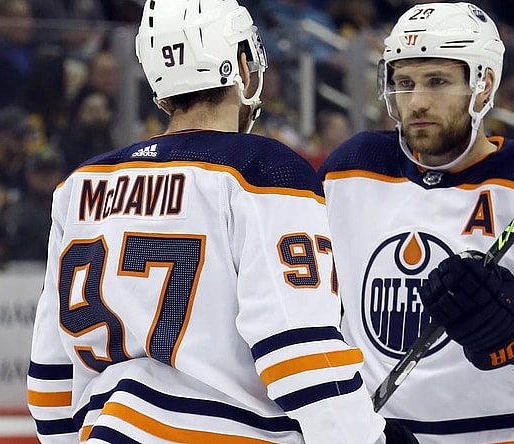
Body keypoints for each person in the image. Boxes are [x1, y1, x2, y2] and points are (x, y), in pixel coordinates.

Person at [26, 1, 417, 443]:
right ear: (243, 66)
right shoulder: (264, 169)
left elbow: (49, 375)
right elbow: (299, 352)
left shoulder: (81, 185)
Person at [319, 3, 514, 443]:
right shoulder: (350, 171)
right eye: (404, 82)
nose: (418, 101)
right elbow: (314, 322)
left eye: (438, 81)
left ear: (483, 86)